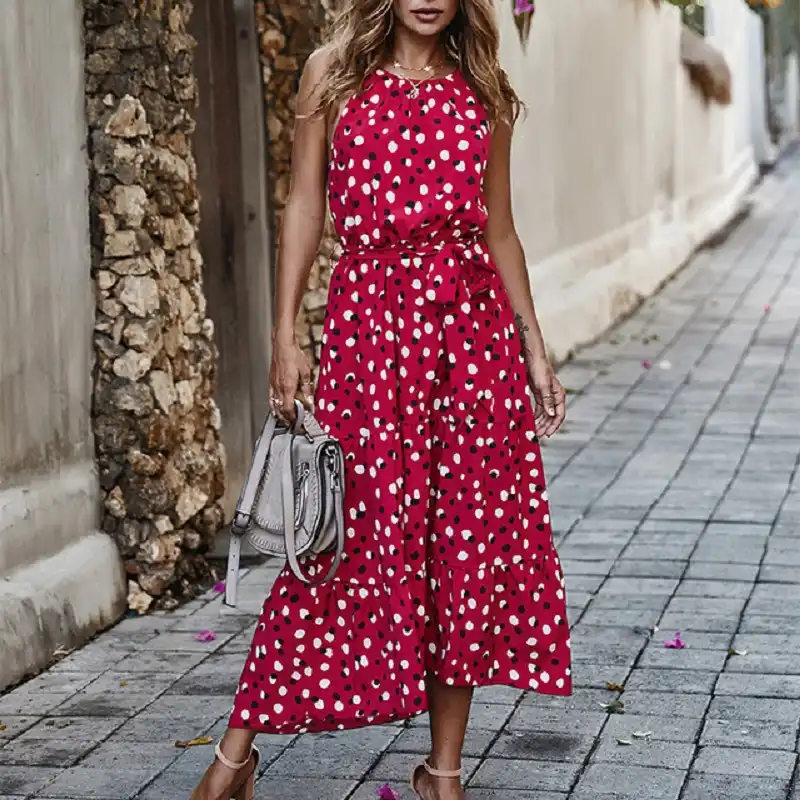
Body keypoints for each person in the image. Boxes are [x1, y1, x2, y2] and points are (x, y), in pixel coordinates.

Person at [191, 1, 571, 798]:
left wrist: (534, 346)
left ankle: (444, 773)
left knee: (462, 547)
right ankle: (236, 754)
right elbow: (303, 204)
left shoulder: (484, 86)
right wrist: (286, 332)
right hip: (371, 338)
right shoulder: (332, 75)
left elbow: (499, 229)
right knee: (335, 540)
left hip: (471, 346)